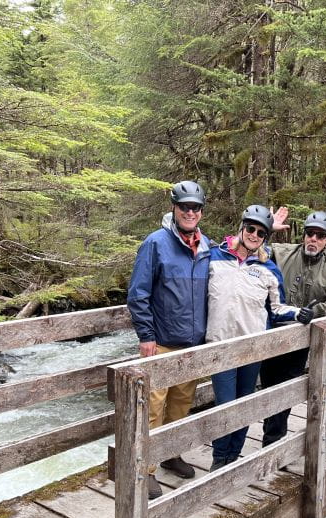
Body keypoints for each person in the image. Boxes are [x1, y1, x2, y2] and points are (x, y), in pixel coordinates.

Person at [127, 180, 211, 499]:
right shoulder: (155, 243)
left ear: (201, 212)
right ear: (174, 208)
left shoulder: (206, 247)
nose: (190, 212)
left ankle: (170, 453)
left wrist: (266, 232)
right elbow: (138, 293)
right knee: (152, 409)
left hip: (191, 346)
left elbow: (236, 265)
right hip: (161, 342)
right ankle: (145, 468)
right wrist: (146, 336)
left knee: (181, 406)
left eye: (195, 208)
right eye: (184, 207)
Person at [206, 206, 300, 471]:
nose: (254, 235)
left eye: (261, 232)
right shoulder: (214, 256)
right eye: (251, 229)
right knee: (225, 406)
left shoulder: (268, 268)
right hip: (220, 345)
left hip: (252, 347)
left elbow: (277, 307)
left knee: (245, 404)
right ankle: (218, 460)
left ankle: (232, 458)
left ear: (265, 237)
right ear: (242, 227)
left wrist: (300, 313)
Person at [260, 210, 326, 446]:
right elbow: (249, 250)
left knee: (286, 390)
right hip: (272, 333)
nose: (314, 239)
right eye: (310, 234)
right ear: (304, 235)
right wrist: (268, 229)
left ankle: (273, 441)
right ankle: (268, 434)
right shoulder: (282, 252)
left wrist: (316, 311)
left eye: (320, 236)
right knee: (268, 387)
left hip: (300, 339)